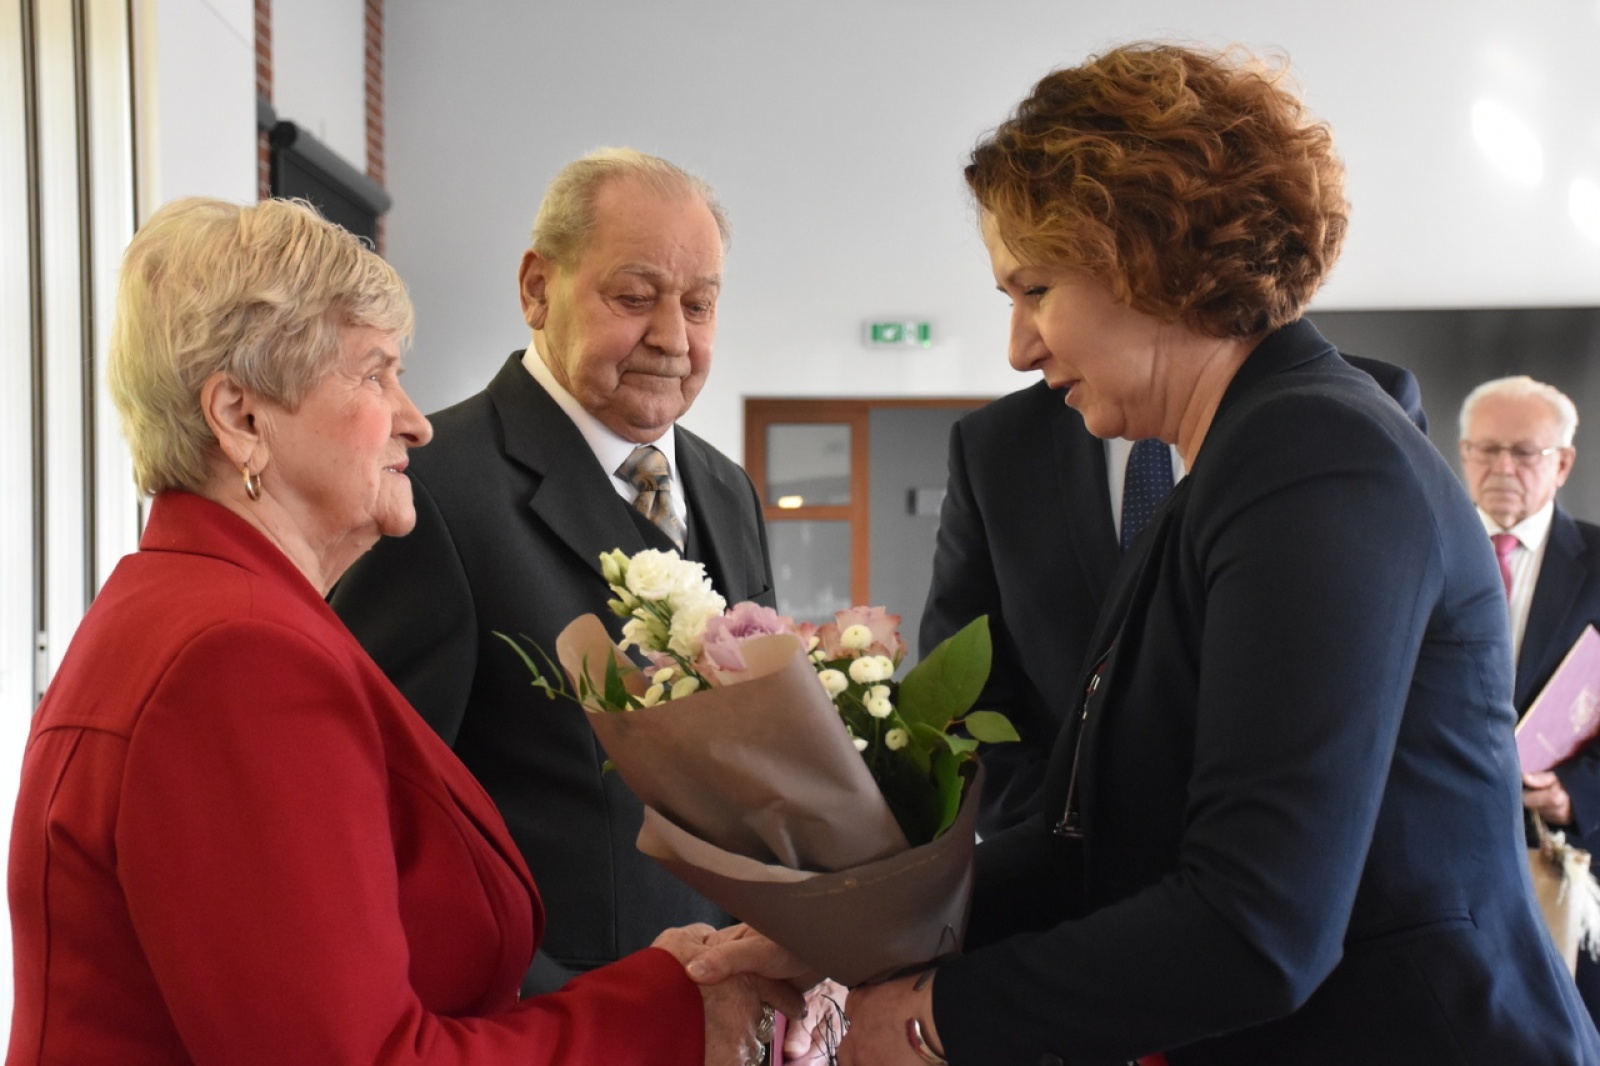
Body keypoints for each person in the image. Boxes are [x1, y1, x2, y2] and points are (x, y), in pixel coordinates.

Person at [692, 43, 1600, 1064]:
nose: (1018, 348)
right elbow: (1099, 842)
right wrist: (840, 939)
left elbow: (1256, 926)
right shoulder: (1231, 458)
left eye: (1033, 288)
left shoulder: (1315, 457)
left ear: (1149, 255)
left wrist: (933, 1020)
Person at [5, 196, 790, 1065]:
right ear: (240, 417)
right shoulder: (237, 659)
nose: (414, 420)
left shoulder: (202, 611)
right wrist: (661, 1008)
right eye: (374, 374)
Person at [329, 148, 775, 996]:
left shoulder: (726, 490)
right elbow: (373, 827)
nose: (674, 339)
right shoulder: (432, 494)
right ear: (537, 287)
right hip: (553, 1021)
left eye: (701, 304)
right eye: (635, 298)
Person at [922, 359, 1429, 837]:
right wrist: (1066, 839)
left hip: (1302, 852)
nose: (1020, 351)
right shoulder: (996, 444)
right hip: (1074, 866)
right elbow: (962, 690)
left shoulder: (1355, 405)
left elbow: (1394, 670)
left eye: (1039, 291)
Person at [1458, 374, 1600, 1023]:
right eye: (1485, 450)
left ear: (1564, 462)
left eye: (1524, 452)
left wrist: (1574, 793)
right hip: (1440, 870)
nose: (1501, 468)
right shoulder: (1423, 550)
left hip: (1562, 866)